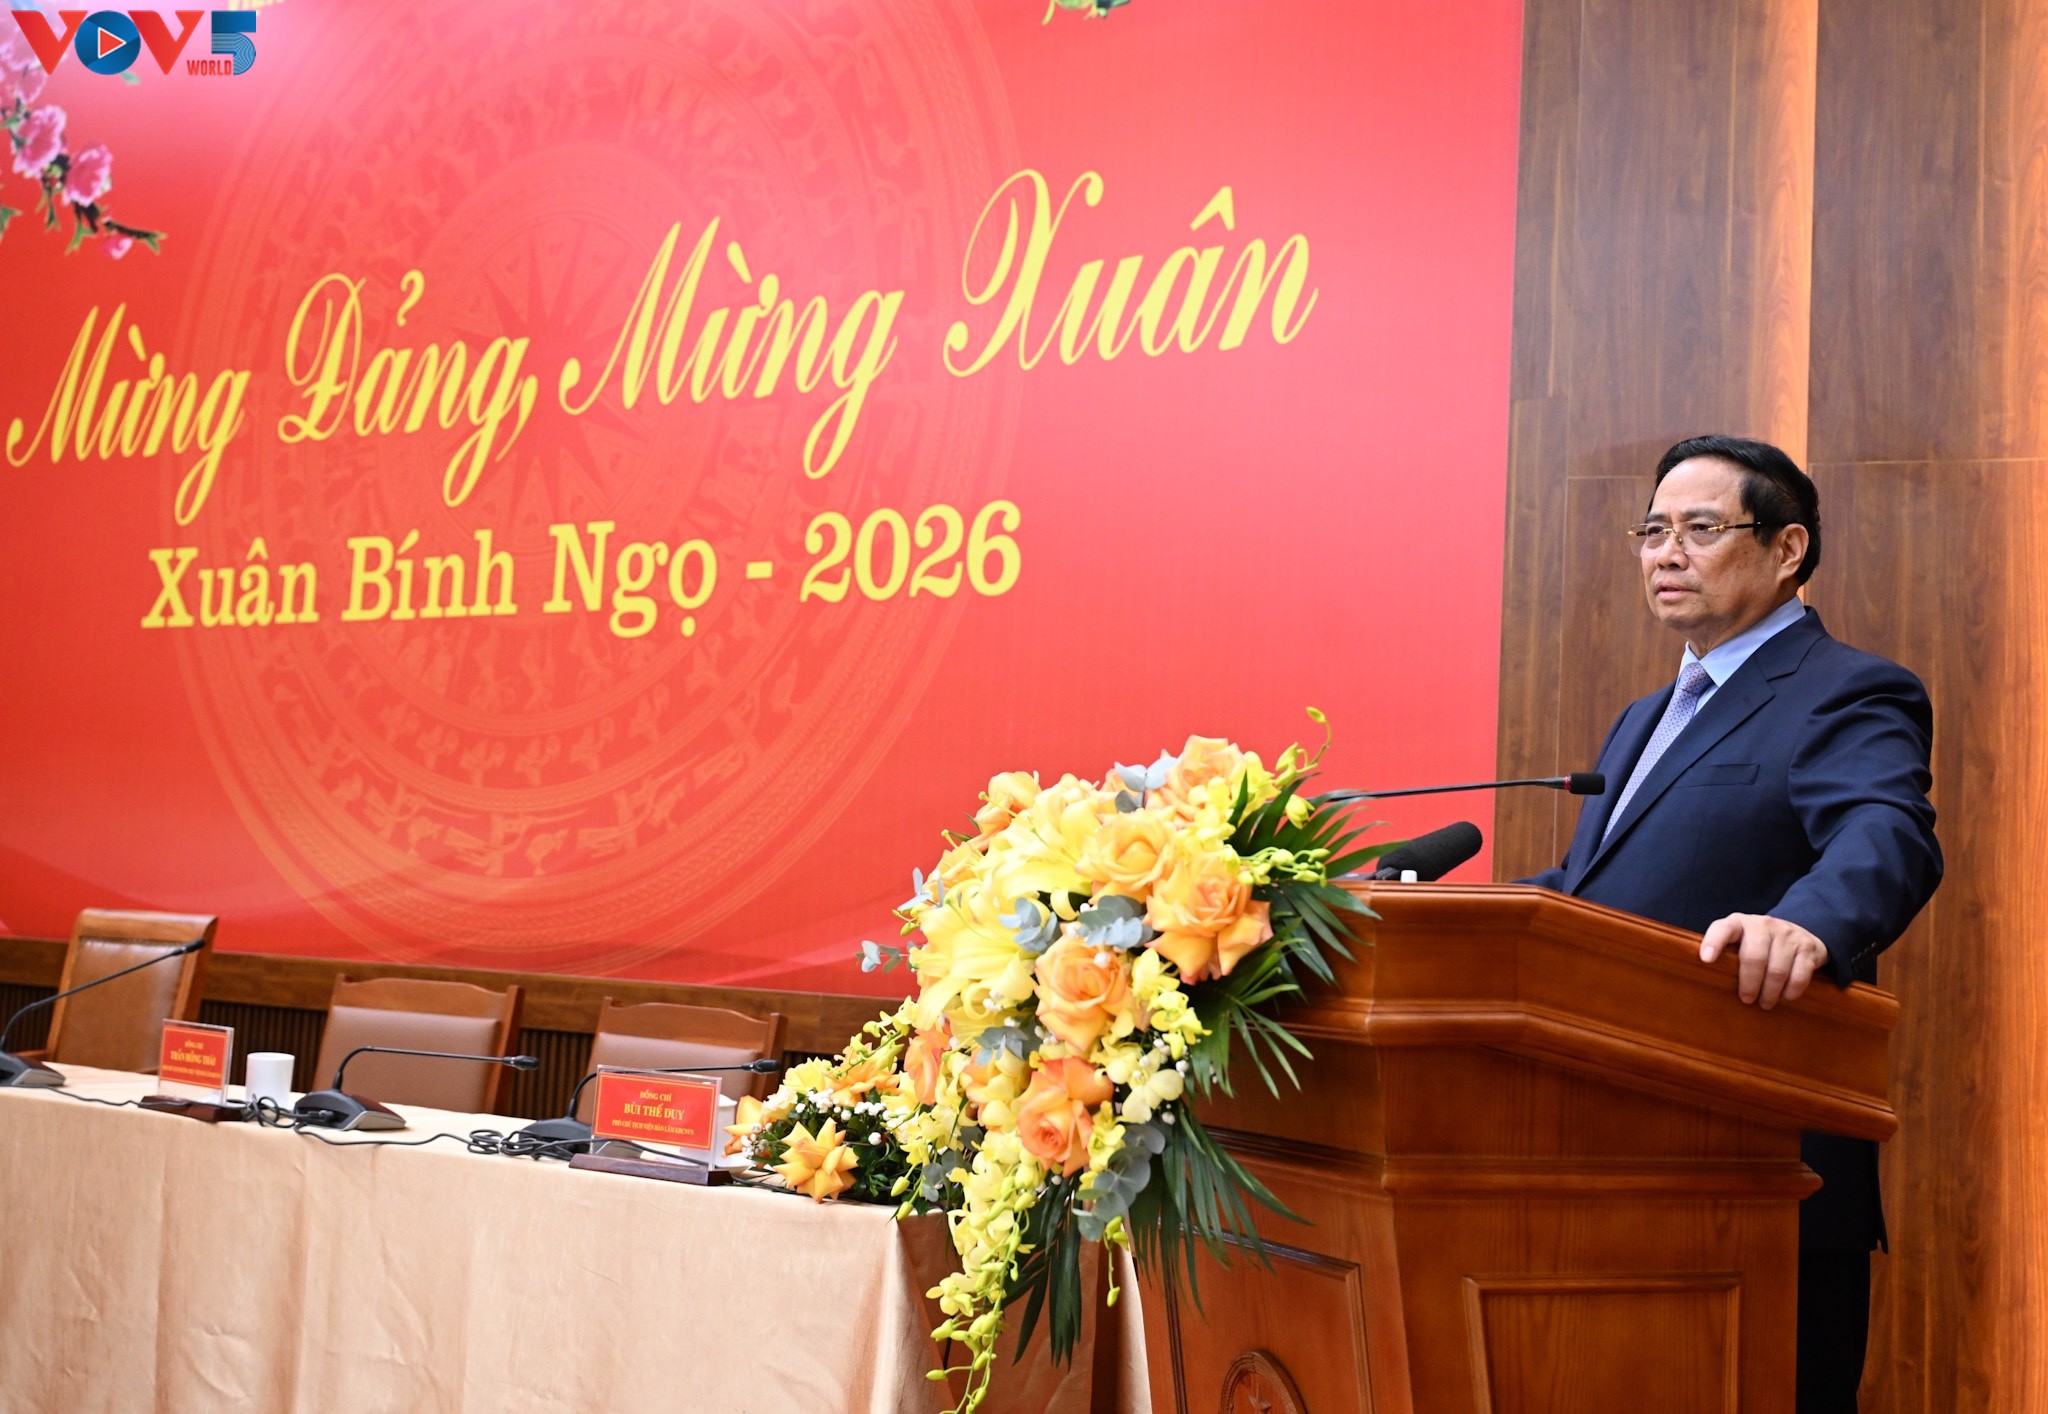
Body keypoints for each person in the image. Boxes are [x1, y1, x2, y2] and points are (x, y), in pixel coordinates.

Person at [1522, 434, 1942, 1413]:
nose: (1665, 554)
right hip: (1611, 1163)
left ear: (1787, 548)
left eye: (1700, 529)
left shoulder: (1846, 688)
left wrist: (1808, 924)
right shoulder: (1644, 715)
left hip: (1759, 1172)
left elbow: (1885, 831)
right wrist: (1448, 909)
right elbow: (1599, 894)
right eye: (1652, 531)